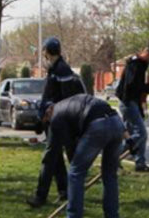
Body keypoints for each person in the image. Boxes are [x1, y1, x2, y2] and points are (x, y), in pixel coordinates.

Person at [43, 94, 126, 218]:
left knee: (75, 173)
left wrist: (77, 163)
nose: (48, 123)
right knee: (110, 175)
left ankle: (73, 215)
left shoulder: (56, 117)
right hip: (116, 122)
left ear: (48, 112)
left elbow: (70, 145)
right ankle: (112, 215)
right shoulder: (69, 103)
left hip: (98, 125)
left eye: (46, 120)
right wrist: (130, 141)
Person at [27, 37, 86, 208]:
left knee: (50, 157)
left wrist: (50, 112)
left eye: (44, 50)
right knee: (57, 159)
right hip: (55, 120)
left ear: (47, 51)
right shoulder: (55, 68)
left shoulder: (62, 70)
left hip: (61, 121)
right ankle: (65, 191)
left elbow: (64, 99)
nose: (42, 54)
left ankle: (41, 196)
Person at [115, 44, 149, 172]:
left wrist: (142, 104)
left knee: (131, 133)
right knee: (141, 133)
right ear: (148, 53)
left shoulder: (140, 64)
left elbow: (136, 86)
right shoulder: (136, 64)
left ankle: (140, 163)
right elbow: (130, 85)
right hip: (128, 102)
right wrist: (144, 88)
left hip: (133, 102)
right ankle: (114, 156)